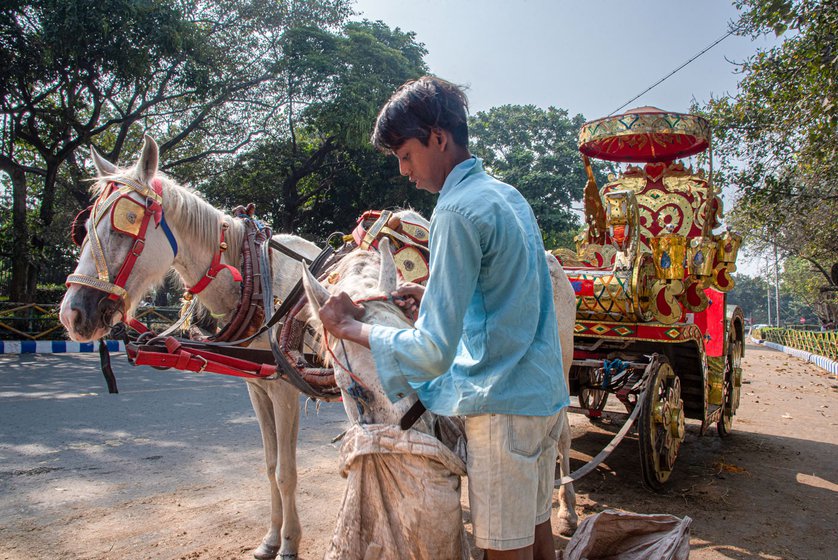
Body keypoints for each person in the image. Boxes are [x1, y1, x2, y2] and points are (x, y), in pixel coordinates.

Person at [316, 76, 570, 560]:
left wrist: (353, 328)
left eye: (405, 154)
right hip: (542, 401)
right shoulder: (506, 196)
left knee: (504, 551)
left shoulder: (453, 212)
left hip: (501, 408)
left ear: (438, 137)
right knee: (540, 540)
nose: (403, 171)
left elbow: (433, 352)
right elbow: (514, 287)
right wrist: (434, 293)